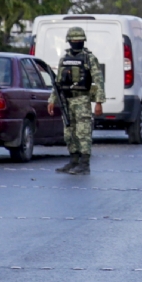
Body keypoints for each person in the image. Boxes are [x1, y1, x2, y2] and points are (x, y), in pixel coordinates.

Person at [47, 26, 104, 174]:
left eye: (79, 40)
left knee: (82, 132)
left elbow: (98, 81)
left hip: (82, 99)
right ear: (69, 41)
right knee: (68, 133)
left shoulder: (89, 58)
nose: (77, 42)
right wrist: (52, 100)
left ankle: (84, 164)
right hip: (67, 100)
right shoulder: (64, 59)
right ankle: (73, 161)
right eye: (74, 40)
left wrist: (98, 103)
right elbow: (58, 82)